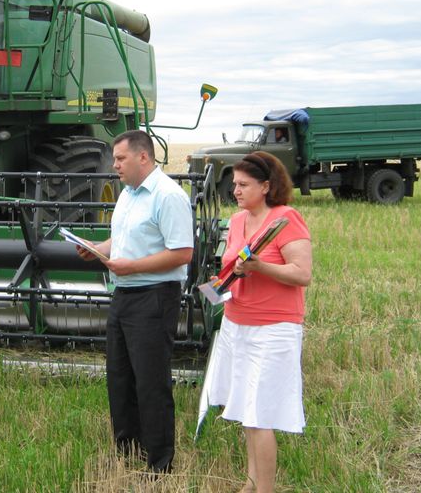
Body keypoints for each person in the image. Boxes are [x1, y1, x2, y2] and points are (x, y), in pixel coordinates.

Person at [76, 130, 193, 473]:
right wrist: (99, 249)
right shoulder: (128, 194)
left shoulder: (168, 196)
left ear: (144, 157)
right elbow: (125, 239)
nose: (115, 165)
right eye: (114, 159)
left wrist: (133, 266)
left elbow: (182, 253)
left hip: (154, 298)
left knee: (150, 382)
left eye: (120, 159)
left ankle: (159, 465)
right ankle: (128, 453)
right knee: (121, 378)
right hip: (124, 294)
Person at [206, 151, 312, 493]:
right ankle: (249, 485)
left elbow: (302, 274)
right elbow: (230, 266)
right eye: (234, 184)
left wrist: (259, 267)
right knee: (245, 410)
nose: (235, 191)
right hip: (237, 324)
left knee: (261, 414)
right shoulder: (237, 221)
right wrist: (217, 282)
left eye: (243, 184)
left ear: (266, 186)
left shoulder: (286, 218)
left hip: (274, 329)